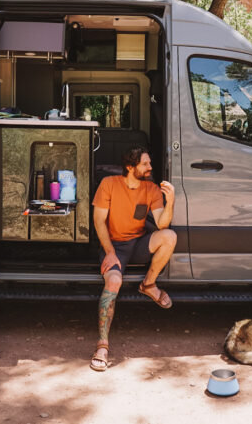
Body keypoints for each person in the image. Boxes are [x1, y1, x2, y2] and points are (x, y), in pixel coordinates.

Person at [89, 145, 177, 372]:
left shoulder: (151, 189)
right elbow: (99, 222)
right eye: (145, 164)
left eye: (149, 163)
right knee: (114, 281)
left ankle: (148, 284)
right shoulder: (109, 184)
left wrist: (171, 200)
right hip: (113, 246)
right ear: (130, 167)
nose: (150, 167)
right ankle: (102, 346)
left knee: (169, 237)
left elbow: (162, 224)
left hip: (137, 243)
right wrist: (109, 252)